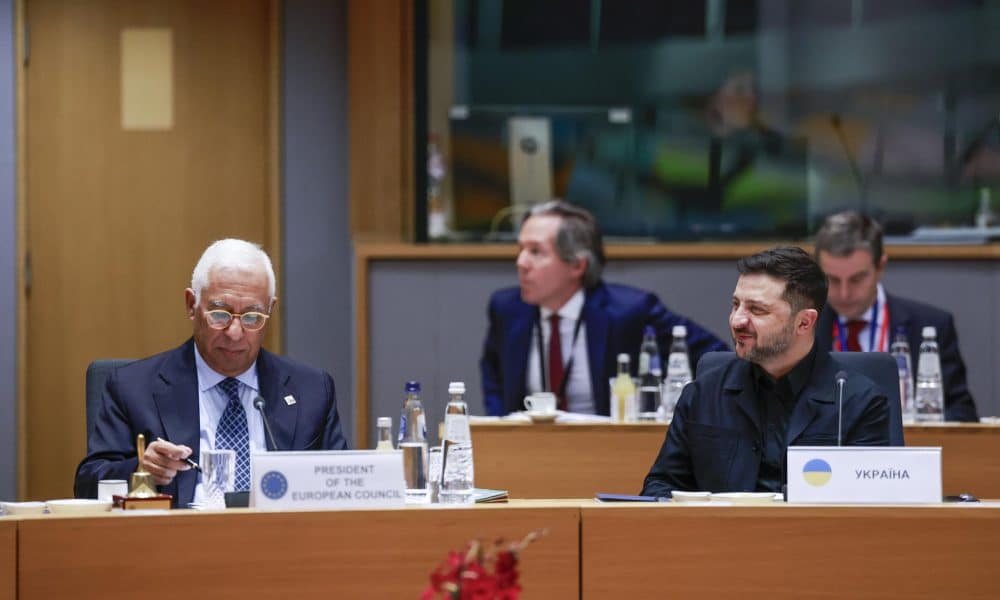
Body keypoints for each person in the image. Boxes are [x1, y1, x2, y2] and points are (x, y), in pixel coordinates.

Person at [75, 239, 349, 506]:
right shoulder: (133, 388)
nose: (234, 333)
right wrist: (141, 471)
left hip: (281, 543)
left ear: (270, 310)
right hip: (175, 543)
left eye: (253, 317)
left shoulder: (311, 390)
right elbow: (87, 485)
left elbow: (341, 487)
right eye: (220, 314)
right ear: (191, 305)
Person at [642, 246, 889, 496]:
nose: (738, 320)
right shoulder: (703, 394)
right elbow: (659, 487)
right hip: (722, 532)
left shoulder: (860, 403)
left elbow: (871, 507)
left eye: (757, 310)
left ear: (804, 322)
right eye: (736, 304)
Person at [480, 200, 728, 417]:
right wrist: (501, 423)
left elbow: (715, 356)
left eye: (535, 251)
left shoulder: (631, 311)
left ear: (577, 266)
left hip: (610, 452)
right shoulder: (507, 310)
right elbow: (493, 373)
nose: (521, 262)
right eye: (520, 249)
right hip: (530, 451)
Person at [814, 211, 979, 422]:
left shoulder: (929, 326)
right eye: (833, 280)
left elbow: (962, 413)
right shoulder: (804, 327)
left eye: (856, 279)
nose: (844, 293)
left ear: (880, 266)